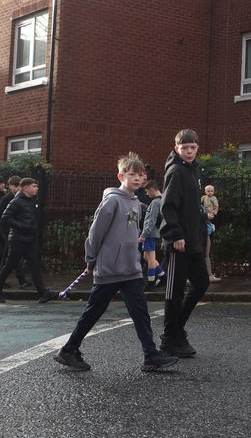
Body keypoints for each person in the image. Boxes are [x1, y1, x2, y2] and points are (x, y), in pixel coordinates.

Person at [53, 153, 178, 372]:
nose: (138, 179)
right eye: (132, 175)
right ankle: (69, 350)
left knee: (140, 312)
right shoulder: (112, 200)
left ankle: (150, 356)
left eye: (141, 175)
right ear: (120, 175)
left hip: (130, 269)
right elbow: (95, 234)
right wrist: (91, 260)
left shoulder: (135, 202)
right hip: (110, 268)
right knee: (93, 311)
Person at [159, 128, 208, 358]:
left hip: (194, 241)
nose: (189, 151)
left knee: (201, 283)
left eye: (192, 147)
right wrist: (176, 234)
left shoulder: (192, 170)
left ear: (197, 147)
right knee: (174, 292)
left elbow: (188, 205)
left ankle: (177, 330)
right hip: (178, 242)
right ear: (176, 148)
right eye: (184, 148)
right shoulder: (176, 171)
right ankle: (169, 339)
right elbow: (167, 206)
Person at [0, 178, 51, 303]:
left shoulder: (34, 201)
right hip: (17, 240)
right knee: (9, 266)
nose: (37, 188)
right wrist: (22, 226)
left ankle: (43, 294)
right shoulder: (16, 202)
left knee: (34, 266)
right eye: (34, 186)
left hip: (29, 240)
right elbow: (5, 218)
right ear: (26, 188)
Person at [0, 176, 29, 289]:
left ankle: (21, 280)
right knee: (8, 256)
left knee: (11, 256)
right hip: (6, 231)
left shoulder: (15, 197)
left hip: (12, 231)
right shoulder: (8, 198)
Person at [139, 180, 167, 290]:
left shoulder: (155, 202)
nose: (147, 194)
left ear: (152, 189)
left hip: (150, 233)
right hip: (154, 232)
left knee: (150, 258)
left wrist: (143, 235)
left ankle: (151, 281)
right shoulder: (162, 200)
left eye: (147, 191)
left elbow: (151, 220)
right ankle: (162, 276)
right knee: (147, 256)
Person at [201, 185, 221, 282]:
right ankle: (207, 275)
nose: (210, 193)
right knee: (204, 254)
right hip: (203, 227)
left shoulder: (213, 199)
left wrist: (213, 213)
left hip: (207, 223)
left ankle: (208, 275)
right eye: (208, 191)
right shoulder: (202, 199)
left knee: (205, 253)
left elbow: (216, 207)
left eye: (211, 191)